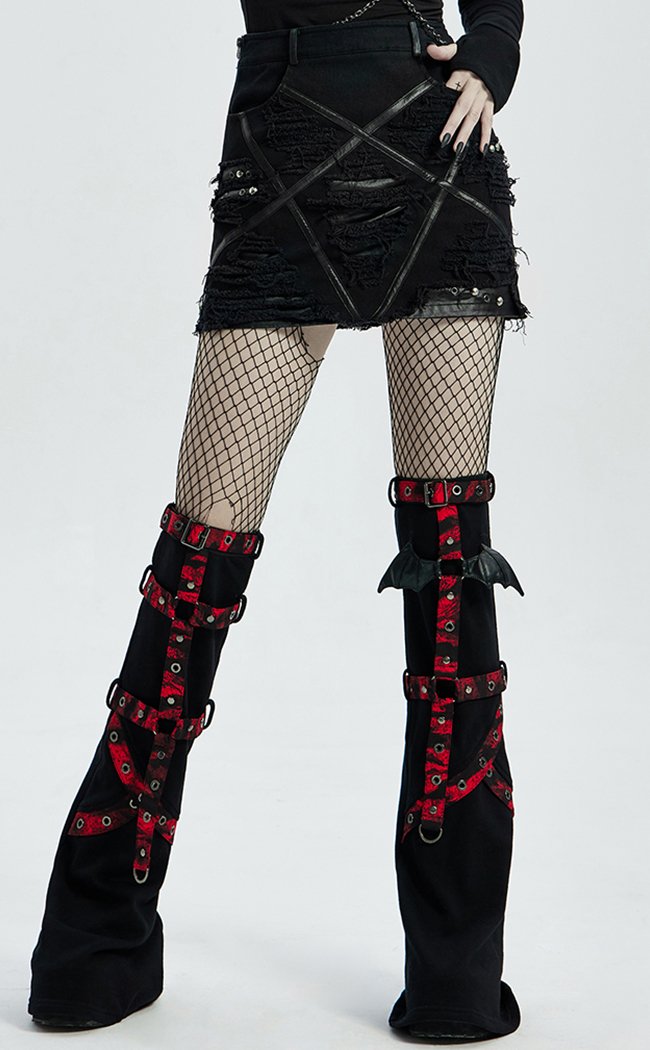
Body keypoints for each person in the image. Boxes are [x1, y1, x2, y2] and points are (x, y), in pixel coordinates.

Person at [28, 0, 530, 1040]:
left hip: (431, 146)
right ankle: (92, 948)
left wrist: (494, 45)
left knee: (450, 564)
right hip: (283, 144)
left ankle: (455, 978)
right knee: (196, 566)